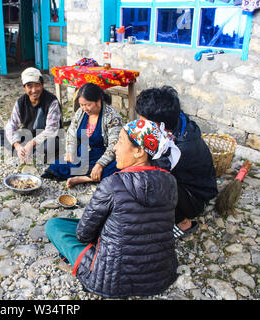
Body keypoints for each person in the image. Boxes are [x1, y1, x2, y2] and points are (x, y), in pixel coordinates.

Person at [45, 119, 180, 298]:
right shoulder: (170, 181)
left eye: (120, 142)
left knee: (55, 225)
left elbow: (83, 235)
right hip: (160, 276)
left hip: (110, 280)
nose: (115, 148)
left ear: (140, 151)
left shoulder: (112, 184)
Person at [134, 86, 218, 239]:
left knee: (153, 182)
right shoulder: (175, 121)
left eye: (142, 121)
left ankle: (183, 221)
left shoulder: (182, 147)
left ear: (159, 124)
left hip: (194, 196)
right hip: (183, 179)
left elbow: (154, 170)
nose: (139, 124)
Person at [42, 83, 122, 188]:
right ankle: (90, 175)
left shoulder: (112, 117)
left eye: (88, 104)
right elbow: (71, 133)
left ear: (98, 101)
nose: (85, 108)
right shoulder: (81, 113)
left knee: (117, 167)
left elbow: (113, 145)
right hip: (82, 155)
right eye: (81, 105)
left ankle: (83, 178)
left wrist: (100, 165)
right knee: (57, 167)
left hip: (102, 157)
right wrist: (70, 152)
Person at [0, 67, 63, 164]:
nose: (34, 90)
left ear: (42, 85)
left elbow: (51, 130)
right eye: (29, 86)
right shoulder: (21, 102)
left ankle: (30, 153)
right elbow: (11, 125)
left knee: (51, 143)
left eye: (37, 85)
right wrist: (17, 146)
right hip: (29, 136)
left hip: (46, 139)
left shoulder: (52, 102)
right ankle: (24, 152)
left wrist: (31, 144)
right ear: (24, 88)